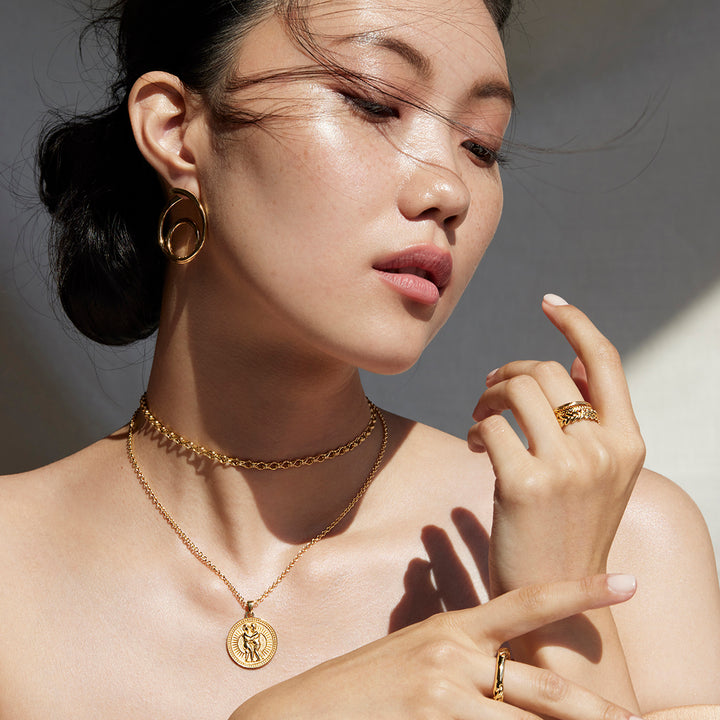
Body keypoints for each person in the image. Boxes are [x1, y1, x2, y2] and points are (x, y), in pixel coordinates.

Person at [1, 0, 719, 718]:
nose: (448, 191)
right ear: (176, 133)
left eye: (482, 145)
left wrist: (556, 608)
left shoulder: (625, 550)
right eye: (374, 103)